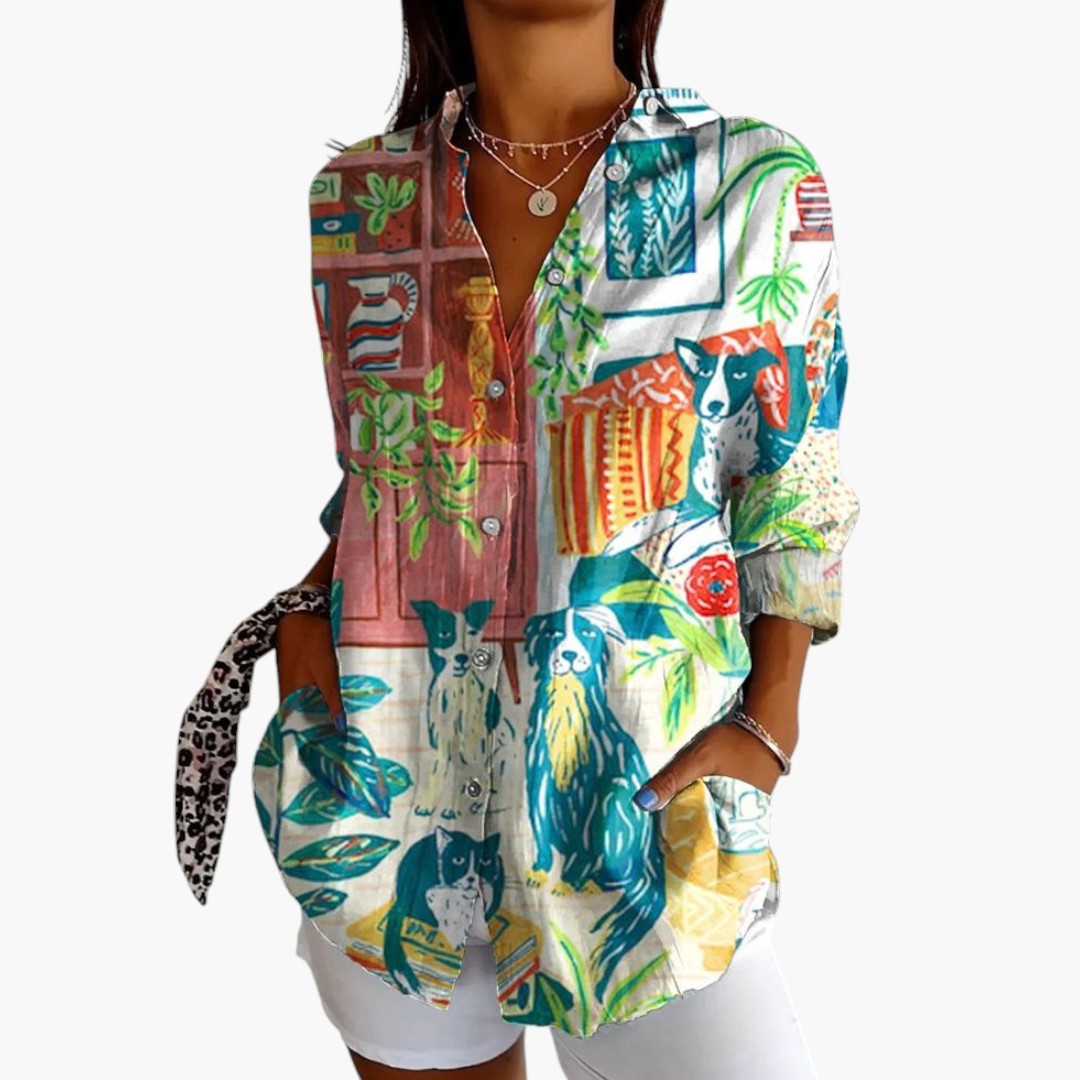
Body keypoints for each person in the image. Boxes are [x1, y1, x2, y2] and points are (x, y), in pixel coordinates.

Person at [269, 1, 860, 1076]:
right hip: (389, 812)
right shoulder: (358, 199)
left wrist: (772, 723)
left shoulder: (753, 183)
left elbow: (793, 483)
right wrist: (304, 626)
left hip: (644, 818)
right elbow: (387, 473)